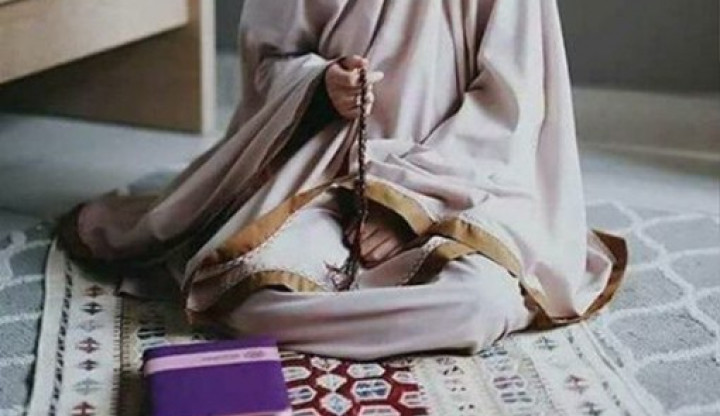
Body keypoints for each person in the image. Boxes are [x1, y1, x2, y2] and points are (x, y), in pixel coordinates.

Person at [59, 0, 626, 360]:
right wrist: (320, 84)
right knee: (253, 299)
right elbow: (268, 64)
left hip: (461, 192)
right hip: (321, 177)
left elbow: (511, 108)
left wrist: (403, 209)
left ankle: (367, 306)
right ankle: (361, 312)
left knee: (478, 304)